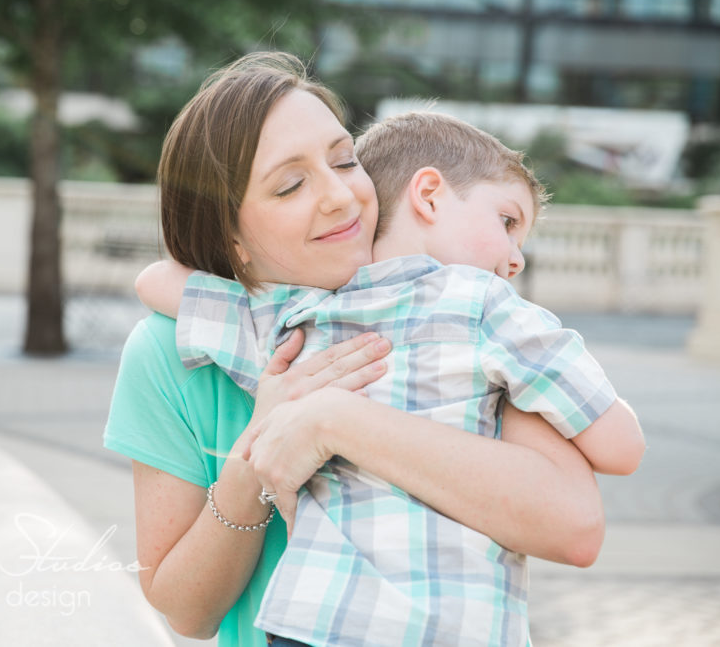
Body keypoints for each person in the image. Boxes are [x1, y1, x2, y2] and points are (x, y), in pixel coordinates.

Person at [105, 52, 618, 647]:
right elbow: (186, 613)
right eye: (291, 185)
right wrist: (256, 461)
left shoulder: (458, 311)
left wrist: (335, 422)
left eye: (346, 160)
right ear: (233, 238)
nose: (342, 198)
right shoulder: (171, 352)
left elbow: (575, 526)